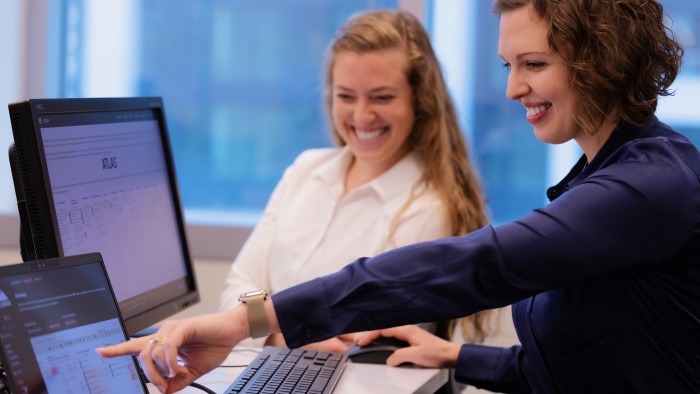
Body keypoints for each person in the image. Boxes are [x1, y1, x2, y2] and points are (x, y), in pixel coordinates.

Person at [98, 0, 700, 393]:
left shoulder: (647, 187)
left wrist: (244, 319)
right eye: (507, 65)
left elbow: (477, 265)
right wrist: (456, 357)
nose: (514, 88)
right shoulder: (607, 174)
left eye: (533, 64)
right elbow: (576, 371)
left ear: (602, 63)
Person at [218, 9, 496, 351]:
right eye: (346, 96)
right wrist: (280, 335)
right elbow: (236, 290)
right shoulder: (305, 170)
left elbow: (371, 342)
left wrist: (254, 328)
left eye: (382, 97)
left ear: (419, 102)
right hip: (273, 373)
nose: (362, 115)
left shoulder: (429, 207)